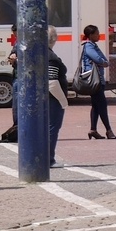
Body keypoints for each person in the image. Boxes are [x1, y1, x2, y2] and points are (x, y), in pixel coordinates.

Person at [80, 25, 116, 139]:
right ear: (90, 35)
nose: (98, 35)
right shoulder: (89, 47)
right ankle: (108, 130)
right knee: (102, 105)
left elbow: (104, 60)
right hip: (94, 81)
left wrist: (104, 62)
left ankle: (93, 130)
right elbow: (99, 59)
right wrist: (103, 62)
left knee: (96, 105)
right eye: (96, 33)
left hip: (98, 80)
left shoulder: (94, 46)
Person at [47, 25, 68, 168]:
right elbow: (52, 82)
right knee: (52, 128)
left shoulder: (41, 54)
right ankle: (49, 159)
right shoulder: (52, 57)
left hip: (43, 98)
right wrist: (63, 101)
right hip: (53, 100)